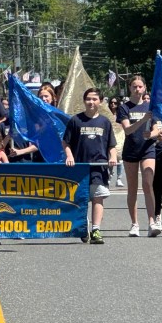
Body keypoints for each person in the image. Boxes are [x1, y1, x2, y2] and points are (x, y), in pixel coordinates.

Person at [63, 87, 118, 244]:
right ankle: (83, 226)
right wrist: (69, 156)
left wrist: (112, 157)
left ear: (100, 102)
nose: (91, 102)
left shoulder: (105, 122)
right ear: (84, 101)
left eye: (94, 99)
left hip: (98, 166)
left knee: (98, 198)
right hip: (80, 166)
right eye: (88, 99)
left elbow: (111, 145)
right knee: (81, 199)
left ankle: (96, 230)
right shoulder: (75, 120)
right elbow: (65, 142)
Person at [117, 75, 159, 236]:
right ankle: (134, 223)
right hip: (131, 149)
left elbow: (156, 128)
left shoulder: (150, 106)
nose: (137, 89)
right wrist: (143, 120)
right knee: (132, 188)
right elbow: (127, 130)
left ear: (145, 88)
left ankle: (152, 222)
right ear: (130, 88)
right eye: (134, 86)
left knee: (148, 185)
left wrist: (152, 133)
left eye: (140, 86)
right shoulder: (124, 108)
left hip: (147, 149)